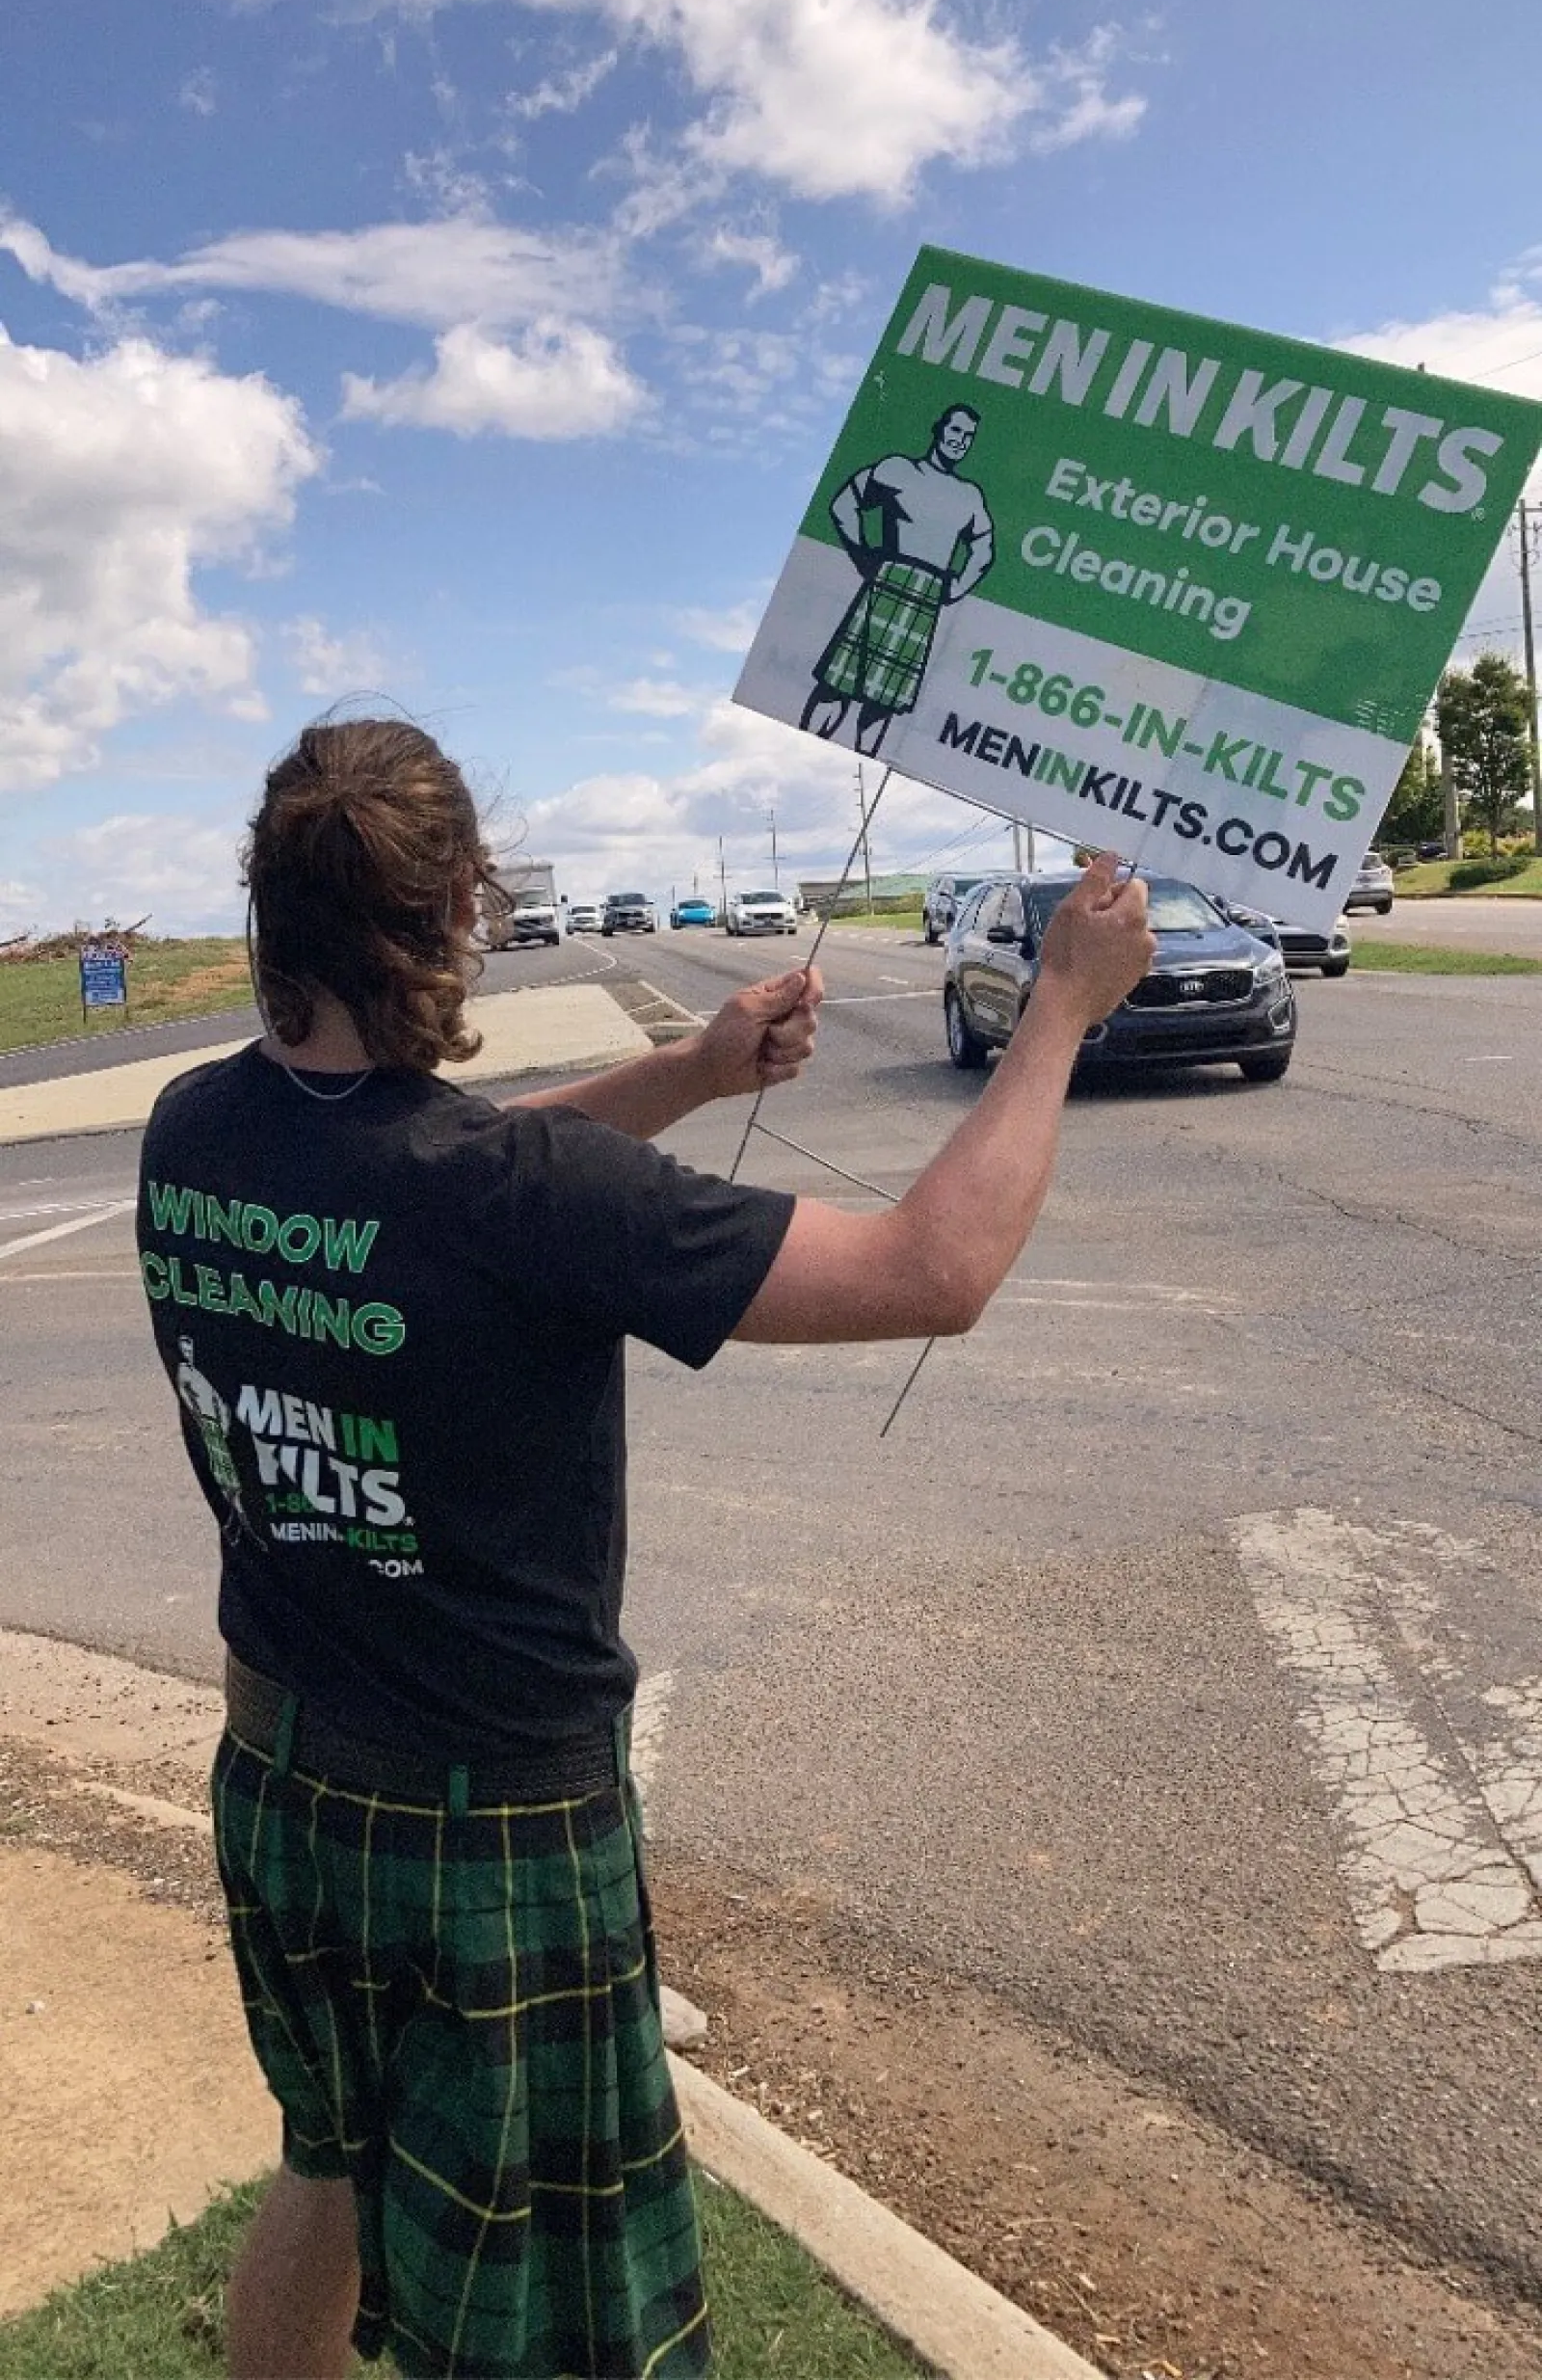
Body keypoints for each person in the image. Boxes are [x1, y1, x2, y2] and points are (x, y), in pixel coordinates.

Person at [136, 716, 1152, 2380]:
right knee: (543, 2316)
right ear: (462, 903)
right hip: (490, 1834)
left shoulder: (196, 1131)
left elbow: (433, 1165)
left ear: (267, 911)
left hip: (283, 1783)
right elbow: (931, 1267)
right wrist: (1056, 1011)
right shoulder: (506, 1192)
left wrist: (689, 1072)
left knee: (329, 2160)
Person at [801, 403, 996, 756]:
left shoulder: (969, 495)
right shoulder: (898, 470)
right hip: (887, 580)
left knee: (884, 702)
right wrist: (863, 556)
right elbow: (845, 503)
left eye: (968, 437)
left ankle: (861, 764)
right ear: (939, 430)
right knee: (837, 683)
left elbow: (984, 550)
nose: (960, 442)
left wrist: (956, 587)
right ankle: (804, 750)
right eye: (955, 432)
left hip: (928, 593)